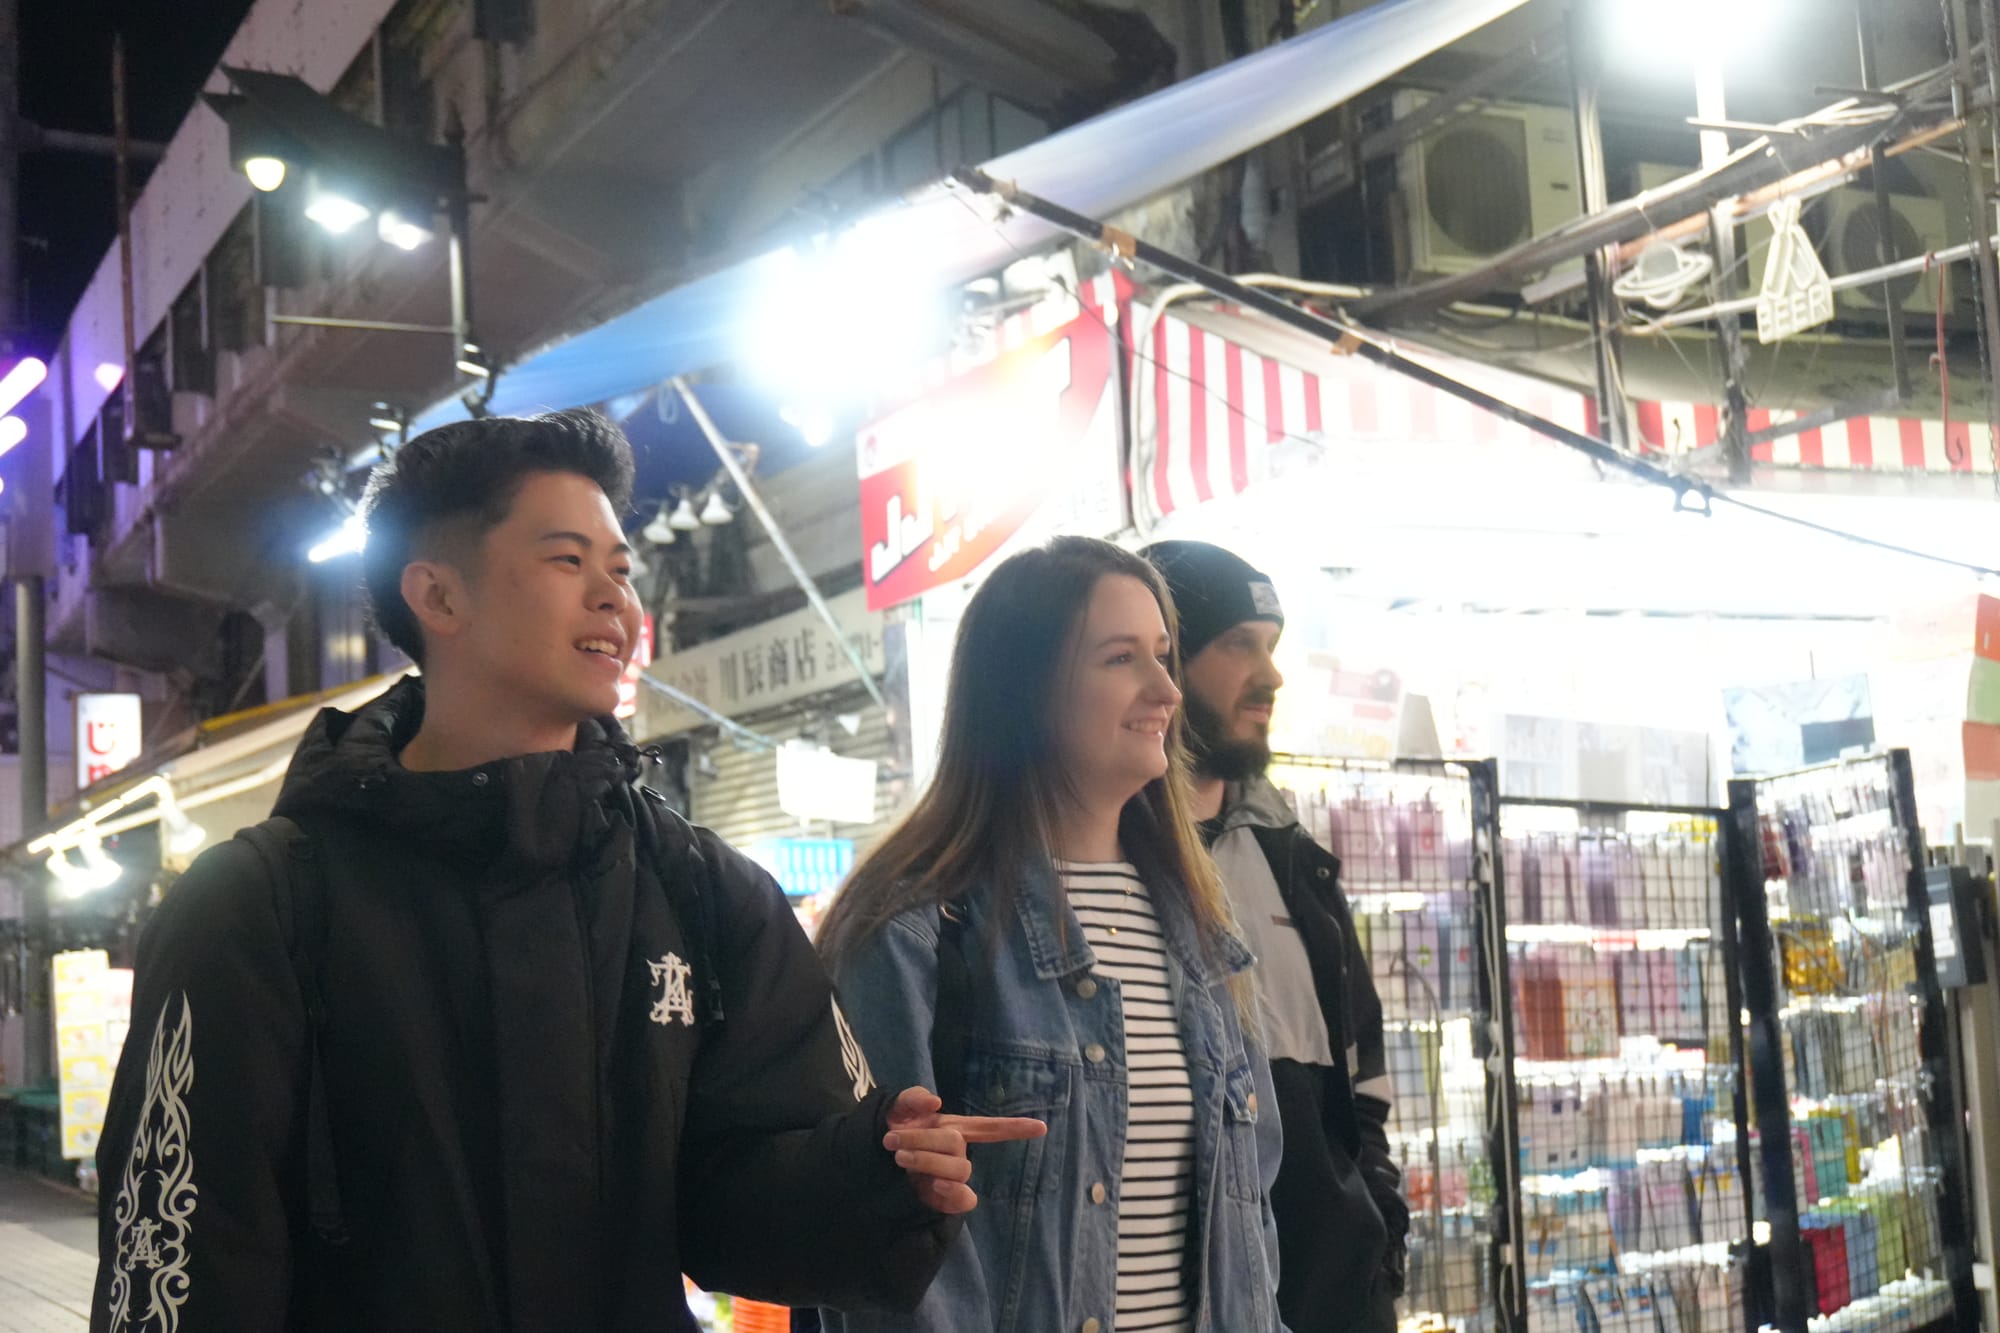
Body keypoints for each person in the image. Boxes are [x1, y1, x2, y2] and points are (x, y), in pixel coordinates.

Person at [89, 409, 1042, 1333]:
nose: (615, 599)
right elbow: (182, 1266)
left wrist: (875, 1174)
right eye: (568, 560)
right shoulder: (257, 908)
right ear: (439, 596)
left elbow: (737, 1204)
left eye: (621, 570)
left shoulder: (701, 892)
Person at [817, 535, 1284, 1333]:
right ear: (1026, 688)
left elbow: (1252, 1227)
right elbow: (877, 1257)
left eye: (1164, 655)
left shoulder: (1202, 931)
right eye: (1120, 658)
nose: (1165, 688)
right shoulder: (912, 930)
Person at [1141, 540, 1409, 1333]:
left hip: (1335, 1299)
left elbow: (1361, 1086)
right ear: (1168, 659)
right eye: (1239, 645)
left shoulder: (1294, 859)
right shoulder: (1099, 857)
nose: (1272, 674)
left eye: (1273, 645)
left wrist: (1381, 1238)